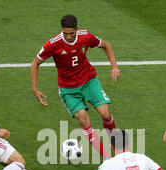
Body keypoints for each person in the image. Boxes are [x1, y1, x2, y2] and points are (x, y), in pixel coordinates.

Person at [31, 14, 120, 160]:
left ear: (77, 29)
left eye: (72, 33)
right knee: (82, 118)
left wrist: (114, 67)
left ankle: (114, 144)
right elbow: (35, 63)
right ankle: (107, 158)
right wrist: (35, 89)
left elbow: (106, 45)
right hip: (68, 90)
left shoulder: (86, 36)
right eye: (66, 34)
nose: (69, 37)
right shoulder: (53, 44)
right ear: (62, 30)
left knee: (105, 114)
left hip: (89, 81)